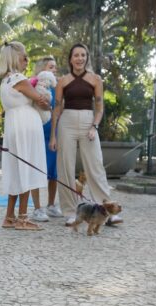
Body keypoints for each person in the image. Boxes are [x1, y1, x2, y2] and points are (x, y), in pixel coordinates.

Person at [50, 43, 121, 227]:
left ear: (87, 58)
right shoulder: (62, 81)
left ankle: (107, 210)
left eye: (83, 55)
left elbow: (99, 107)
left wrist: (94, 126)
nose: (80, 58)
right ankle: (70, 212)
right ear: (70, 59)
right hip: (67, 123)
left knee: (95, 166)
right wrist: (53, 136)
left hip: (89, 122)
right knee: (65, 167)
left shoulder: (96, 79)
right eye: (76, 55)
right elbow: (57, 108)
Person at [0, 42, 50, 231]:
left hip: (14, 125)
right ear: (14, 58)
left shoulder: (5, 81)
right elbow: (42, 101)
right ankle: (22, 218)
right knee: (26, 168)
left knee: (16, 170)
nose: (27, 60)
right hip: (26, 125)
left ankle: (9, 216)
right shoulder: (19, 78)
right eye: (24, 57)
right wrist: (47, 101)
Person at [29, 56, 63, 221]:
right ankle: (37, 208)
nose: (54, 70)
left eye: (55, 67)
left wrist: (54, 136)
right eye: (51, 67)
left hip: (53, 133)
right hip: (36, 132)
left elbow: (58, 110)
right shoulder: (32, 85)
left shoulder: (57, 88)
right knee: (35, 170)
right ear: (42, 69)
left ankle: (51, 205)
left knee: (54, 171)